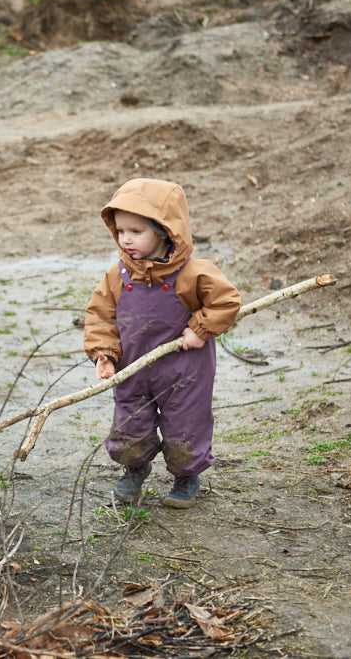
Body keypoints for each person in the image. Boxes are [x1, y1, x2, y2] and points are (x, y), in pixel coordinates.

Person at [84, 178, 240, 509]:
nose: (126, 239)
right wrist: (105, 353)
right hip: (133, 369)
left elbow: (226, 302)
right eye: (120, 231)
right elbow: (101, 317)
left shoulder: (193, 274)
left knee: (185, 425)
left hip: (184, 372)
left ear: (165, 231)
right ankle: (134, 468)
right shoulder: (118, 276)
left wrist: (199, 328)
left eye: (136, 231)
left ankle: (186, 476)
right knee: (130, 423)